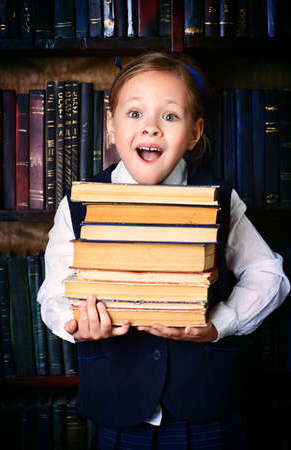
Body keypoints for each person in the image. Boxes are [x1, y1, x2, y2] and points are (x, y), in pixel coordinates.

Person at [37, 51, 290, 449]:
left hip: (206, 412)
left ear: (194, 132)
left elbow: (269, 276)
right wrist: (74, 324)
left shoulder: (221, 200)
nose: (151, 128)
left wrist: (217, 325)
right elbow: (52, 296)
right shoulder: (77, 204)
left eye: (169, 117)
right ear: (111, 125)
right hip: (118, 414)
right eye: (134, 114)